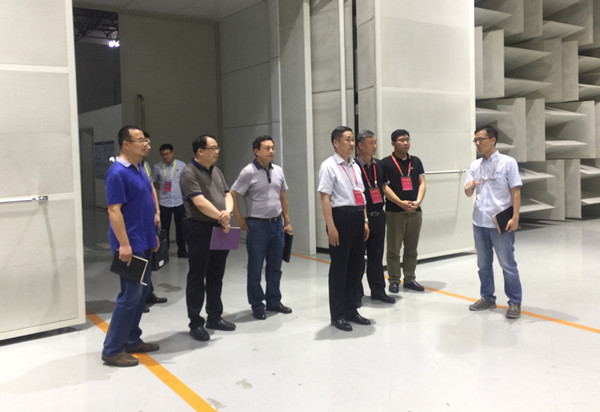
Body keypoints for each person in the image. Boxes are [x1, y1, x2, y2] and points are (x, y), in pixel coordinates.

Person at [101, 125, 160, 367]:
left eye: (147, 140)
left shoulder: (140, 168)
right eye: (140, 140)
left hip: (145, 240)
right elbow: (114, 211)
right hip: (131, 245)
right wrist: (124, 244)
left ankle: (132, 339)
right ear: (126, 144)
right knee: (130, 295)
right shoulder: (117, 173)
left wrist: (153, 235)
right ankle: (112, 349)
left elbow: (145, 204)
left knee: (142, 293)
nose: (146, 144)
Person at [180, 134, 236, 341]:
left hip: (220, 227)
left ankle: (215, 316)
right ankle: (196, 322)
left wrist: (227, 213)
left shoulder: (216, 171)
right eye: (213, 148)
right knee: (197, 276)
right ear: (200, 151)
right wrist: (222, 216)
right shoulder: (189, 172)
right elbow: (199, 202)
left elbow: (228, 194)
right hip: (199, 228)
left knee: (216, 274)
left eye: (217, 147)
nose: (217, 151)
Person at [231, 136, 293, 320]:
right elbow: (233, 193)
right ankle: (257, 305)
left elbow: (282, 197)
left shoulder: (278, 170)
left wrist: (287, 221)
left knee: (275, 267)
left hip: (277, 225)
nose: (271, 151)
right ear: (256, 151)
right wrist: (239, 218)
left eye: (272, 147)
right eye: (267, 148)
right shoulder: (248, 172)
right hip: (257, 226)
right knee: (255, 268)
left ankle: (274, 300)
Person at [464, 124, 523, 319]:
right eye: (475, 140)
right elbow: (468, 192)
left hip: (501, 222)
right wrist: (469, 187)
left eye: (480, 139)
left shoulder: (508, 163)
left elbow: (515, 191)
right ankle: (487, 297)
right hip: (479, 221)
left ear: (493, 140)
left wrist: (515, 217)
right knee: (483, 265)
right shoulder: (475, 165)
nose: (477, 143)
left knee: (507, 265)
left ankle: (514, 302)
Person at [318, 126, 371, 332]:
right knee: (340, 269)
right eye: (347, 139)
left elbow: (361, 195)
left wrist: (364, 220)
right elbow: (325, 197)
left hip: (357, 216)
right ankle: (338, 314)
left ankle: (352, 310)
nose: (351, 143)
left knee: (356, 267)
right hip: (340, 218)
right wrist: (331, 227)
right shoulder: (328, 166)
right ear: (336, 142)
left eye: (352, 140)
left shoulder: (355, 166)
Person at [381, 129, 426, 293]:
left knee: (411, 249)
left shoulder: (416, 161)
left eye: (407, 139)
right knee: (393, 249)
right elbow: (384, 187)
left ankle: (410, 278)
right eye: (401, 140)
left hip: (415, 211)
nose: (405, 143)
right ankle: (394, 279)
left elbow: (422, 183)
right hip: (395, 212)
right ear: (393, 143)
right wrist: (400, 203)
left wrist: (417, 201)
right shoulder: (385, 163)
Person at [355, 130, 395, 304]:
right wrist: (364, 219)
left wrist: (401, 202)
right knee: (358, 258)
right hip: (361, 218)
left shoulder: (379, 164)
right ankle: (356, 294)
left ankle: (378, 291)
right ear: (360, 145)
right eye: (370, 143)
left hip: (378, 215)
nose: (374, 146)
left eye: (375, 142)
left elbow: (384, 188)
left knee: (376, 256)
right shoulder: (353, 166)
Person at [152, 144, 188, 258]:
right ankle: (164, 252)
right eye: (162, 155)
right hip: (164, 202)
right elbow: (153, 182)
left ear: (172, 153)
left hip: (179, 201)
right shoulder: (157, 167)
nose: (165, 157)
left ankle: (182, 251)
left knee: (181, 227)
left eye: (167, 154)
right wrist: (162, 188)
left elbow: (186, 180)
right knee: (165, 228)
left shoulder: (182, 165)